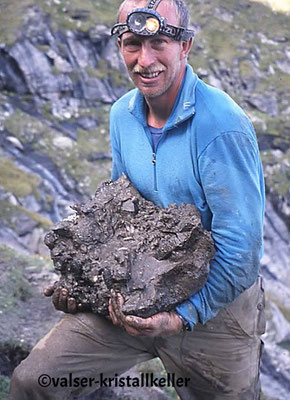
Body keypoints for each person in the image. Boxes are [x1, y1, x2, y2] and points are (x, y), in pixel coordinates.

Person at [9, 0, 266, 399]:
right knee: (33, 383)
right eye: (132, 43)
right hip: (133, 294)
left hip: (215, 308)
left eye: (159, 42)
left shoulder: (221, 126)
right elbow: (117, 213)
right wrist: (82, 285)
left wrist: (181, 317)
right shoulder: (122, 116)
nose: (144, 60)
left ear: (186, 46)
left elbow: (241, 248)